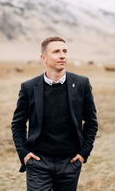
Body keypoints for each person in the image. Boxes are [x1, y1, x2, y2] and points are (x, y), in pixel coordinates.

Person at [11, 35, 98, 190]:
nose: (62, 55)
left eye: (65, 51)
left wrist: (84, 153)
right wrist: (24, 153)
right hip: (38, 162)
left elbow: (91, 123)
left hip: (70, 162)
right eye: (56, 51)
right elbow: (17, 124)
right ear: (43, 57)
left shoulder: (81, 84)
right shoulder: (29, 87)